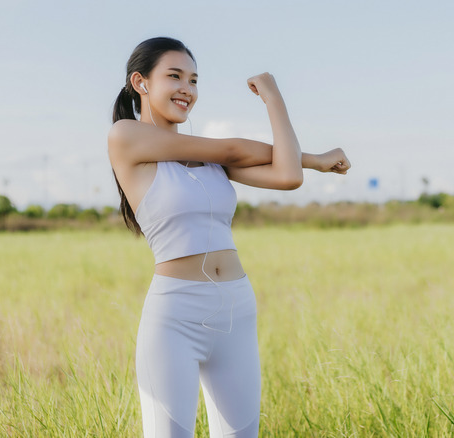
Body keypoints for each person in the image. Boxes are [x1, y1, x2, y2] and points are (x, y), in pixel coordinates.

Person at [107, 37, 351, 437]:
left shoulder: (212, 160)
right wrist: (313, 154)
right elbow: (235, 149)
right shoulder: (125, 136)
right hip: (175, 315)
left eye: (194, 80)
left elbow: (287, 175)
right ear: (141, 82)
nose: (187, 89)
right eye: (174, 76)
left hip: (237, 308)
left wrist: (276, 101)